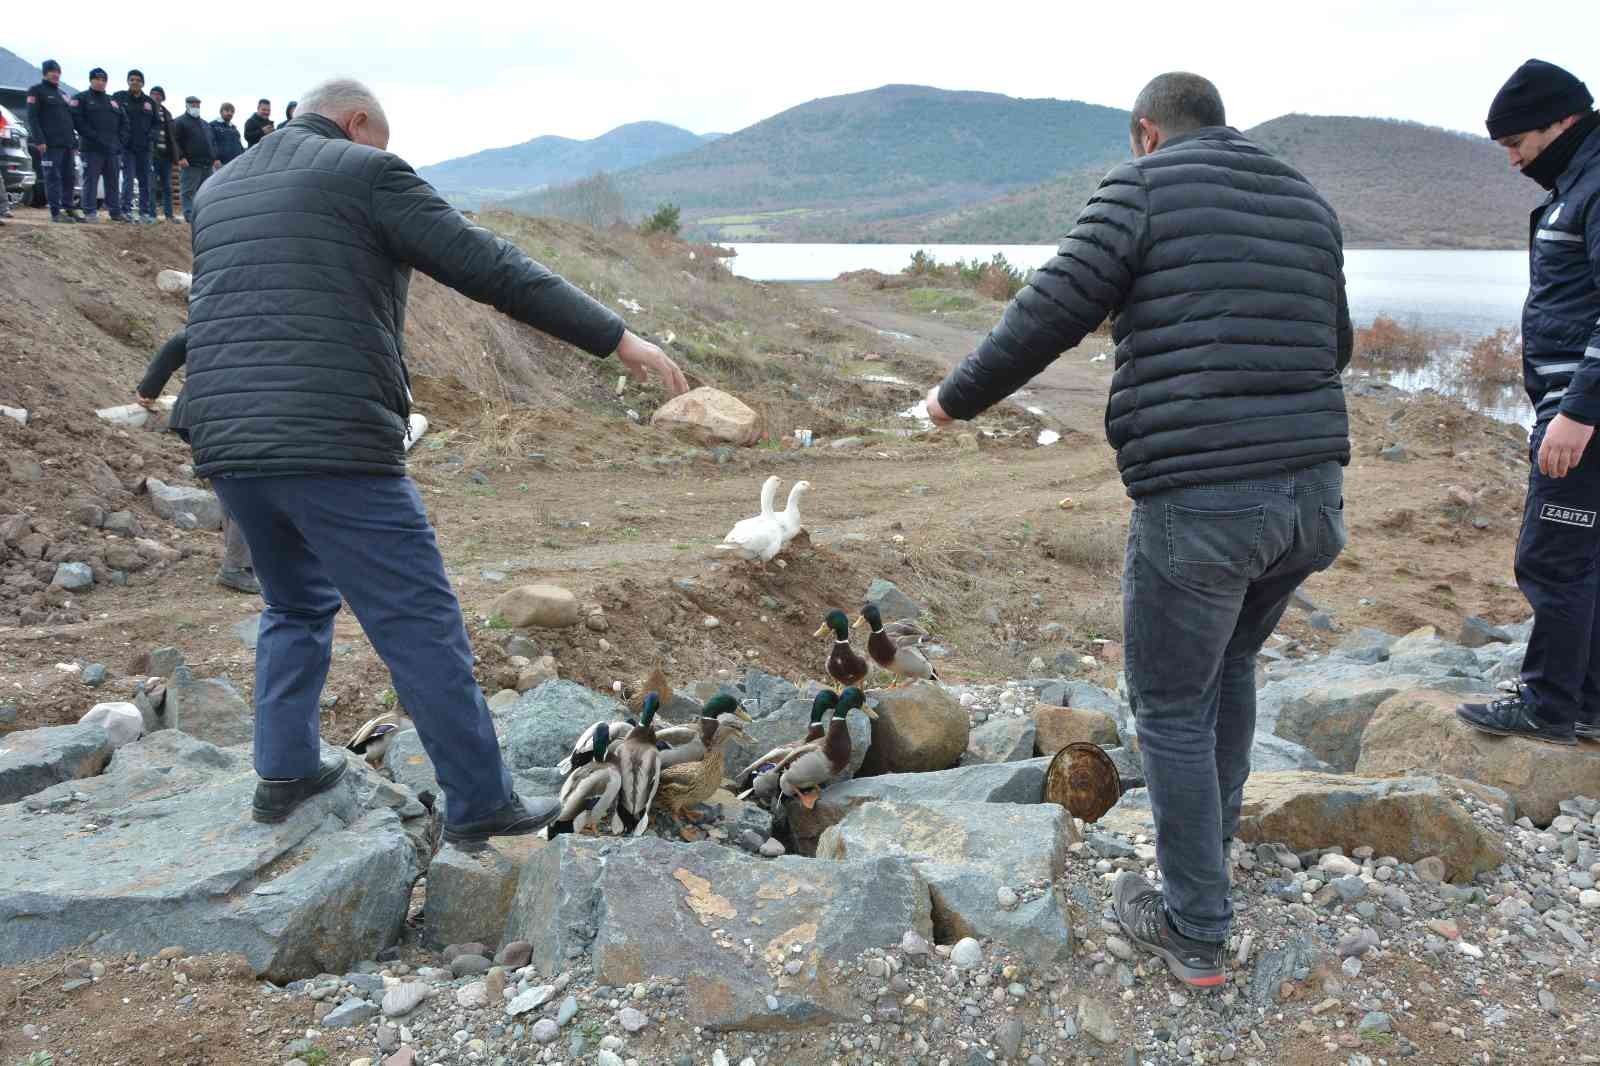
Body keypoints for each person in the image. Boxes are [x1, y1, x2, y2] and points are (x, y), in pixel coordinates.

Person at [925, 72, 1351, 987]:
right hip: (1314, 498)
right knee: (1228, 667)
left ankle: (1195, 926)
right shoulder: (1304, 201)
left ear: (1145, 132)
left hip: (1205, 500)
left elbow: (1051, 309)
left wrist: (953, 401)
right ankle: (1211, 848)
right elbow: (1336, 344)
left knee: (1166, 705)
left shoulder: (1145, 187)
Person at [180, 77, 688, 839]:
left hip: (226, 441)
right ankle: (482, 804)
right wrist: (616, 335)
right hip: (332, 440)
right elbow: (492, 267)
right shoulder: (367, 173)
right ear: (357, 124)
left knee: (293, 604)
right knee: (420, 623)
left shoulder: (219, 189)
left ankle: (283, 774)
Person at [1457, 60, 1600, 746]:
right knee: (1586, 554)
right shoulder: (1578, 182)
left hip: (1583, 411)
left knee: (1554, 554)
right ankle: (1586, 700)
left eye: (1519, 144)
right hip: (1578, 402)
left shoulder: (1596, 184)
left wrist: (1578, 411)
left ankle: (1547, 704)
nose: (1514, 161)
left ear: (1562, 121)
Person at [135, 333, 261, 594]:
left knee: (232, 482)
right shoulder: (256, 317)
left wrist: (149, 388)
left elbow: (176, 344)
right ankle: (237, 566)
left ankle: (239, 560)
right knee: (248, 484)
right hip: (229, 414)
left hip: (202, 413)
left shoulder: (221, 314)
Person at [26, 60, 81, 223]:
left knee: (69, 177)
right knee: (53, 177)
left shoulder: (63, 94)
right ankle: (56, 212)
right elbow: (32, 117)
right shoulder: (36, 91)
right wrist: (39, 140)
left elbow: (70, 119)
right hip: (49, 144)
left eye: (57, 71)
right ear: (45, 73)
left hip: (67, 144)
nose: (55, 74)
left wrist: (74, 142)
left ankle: (69, 208)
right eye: (51, 71)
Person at [72, 67, 129, 222]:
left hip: (112, 149)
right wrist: (96, 137)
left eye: (103, 80)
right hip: (92, 149)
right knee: (91, 181)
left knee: (113, 181)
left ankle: (115, 212)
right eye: (97, 79)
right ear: (91, 80)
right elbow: (78, 122)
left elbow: (125, 123)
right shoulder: (81, 98)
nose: (100, 82)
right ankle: (90, 211)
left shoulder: (113, 101)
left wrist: (120, 142)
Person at [114, 69, 159, 224]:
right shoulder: (119, 97)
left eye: (138, 80)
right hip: (127, 148)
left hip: (145, 149)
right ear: (128, 81)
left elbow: (157, 124)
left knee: (145, 182)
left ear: (143, 83)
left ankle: (144, 213)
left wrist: (151, 137)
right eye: (132, 79)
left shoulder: (150, 102)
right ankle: (125, 211)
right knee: (128, 180)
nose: (135, 82)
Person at [173, 95, 218, 223]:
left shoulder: (204, 124)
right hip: (190, 163)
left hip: (206, 164)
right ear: (187, 105)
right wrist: (181, 157)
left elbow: (212, 141)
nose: (196, 107)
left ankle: (203, 215)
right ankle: (189, 215)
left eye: (198, 105)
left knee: (205, 191)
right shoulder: (180, 122)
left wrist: (214, 157)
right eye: (193, 105)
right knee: (188, 191)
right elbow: (175, 141)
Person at [148, 87, 178, 221]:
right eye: (153, 94)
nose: (156, 97)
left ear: (163, 97)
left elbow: (172, 136)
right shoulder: (146, 110)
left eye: (159, 94)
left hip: (166, 155)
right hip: (151, 154)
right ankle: (151, 214)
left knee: (167, 186)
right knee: (151, 185)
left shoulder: (167, 114)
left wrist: (175, 155)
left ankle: (169, 214)